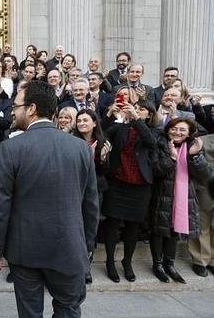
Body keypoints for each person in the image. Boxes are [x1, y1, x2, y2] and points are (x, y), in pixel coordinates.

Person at [0, 80, 99, 318]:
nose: (12, 111)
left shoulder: (10, 148)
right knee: (68, 310)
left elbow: (0, 205)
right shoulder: (80, 147)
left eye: (16, 106)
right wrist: (87, 246)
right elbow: (91, 204)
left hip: (25, 250)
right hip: (70, 247)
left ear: (31, 108)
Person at [101, 95, 157, 283]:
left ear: (149, 115)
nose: (136, 111)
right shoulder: (122, 127)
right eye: (135, 108)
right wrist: (112, 115)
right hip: (117, 182)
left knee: (133, 226)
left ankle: (127, 262)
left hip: (140, 185)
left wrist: (137, 120)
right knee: (113, 224)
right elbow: (104, 133)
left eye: (141, 110)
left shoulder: (152, 130)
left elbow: (150, 142)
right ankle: (110, 262)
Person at [149, 118, 208, 283]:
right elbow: (155, 170)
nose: (177, 132)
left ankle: (170, 263)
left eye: (182, 130)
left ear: (189, 133)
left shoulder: (192, 147)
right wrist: (172, 159)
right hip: (162, 193)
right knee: (159, 229)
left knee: (175, 229)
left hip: (184, 196)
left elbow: (203, 175)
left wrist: (194, 155)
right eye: (174, 129)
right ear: (168, 129)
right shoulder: (159, 143)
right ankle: (157, 264)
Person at [73, 109, 112, 284]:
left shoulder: (103, 143)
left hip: (95, 190)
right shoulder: (71, 141)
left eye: (85, 120)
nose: (81, 123)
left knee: (90, 226)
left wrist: (102, 159)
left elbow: (106, 173)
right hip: (75, 189)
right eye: (79, 120)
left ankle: (86, 266)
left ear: (95, 123)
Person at [188, 133, 214, 277]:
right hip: (206, 187)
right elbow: (199, 168)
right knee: (202, 224)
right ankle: (200, 260)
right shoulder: (203, 140)